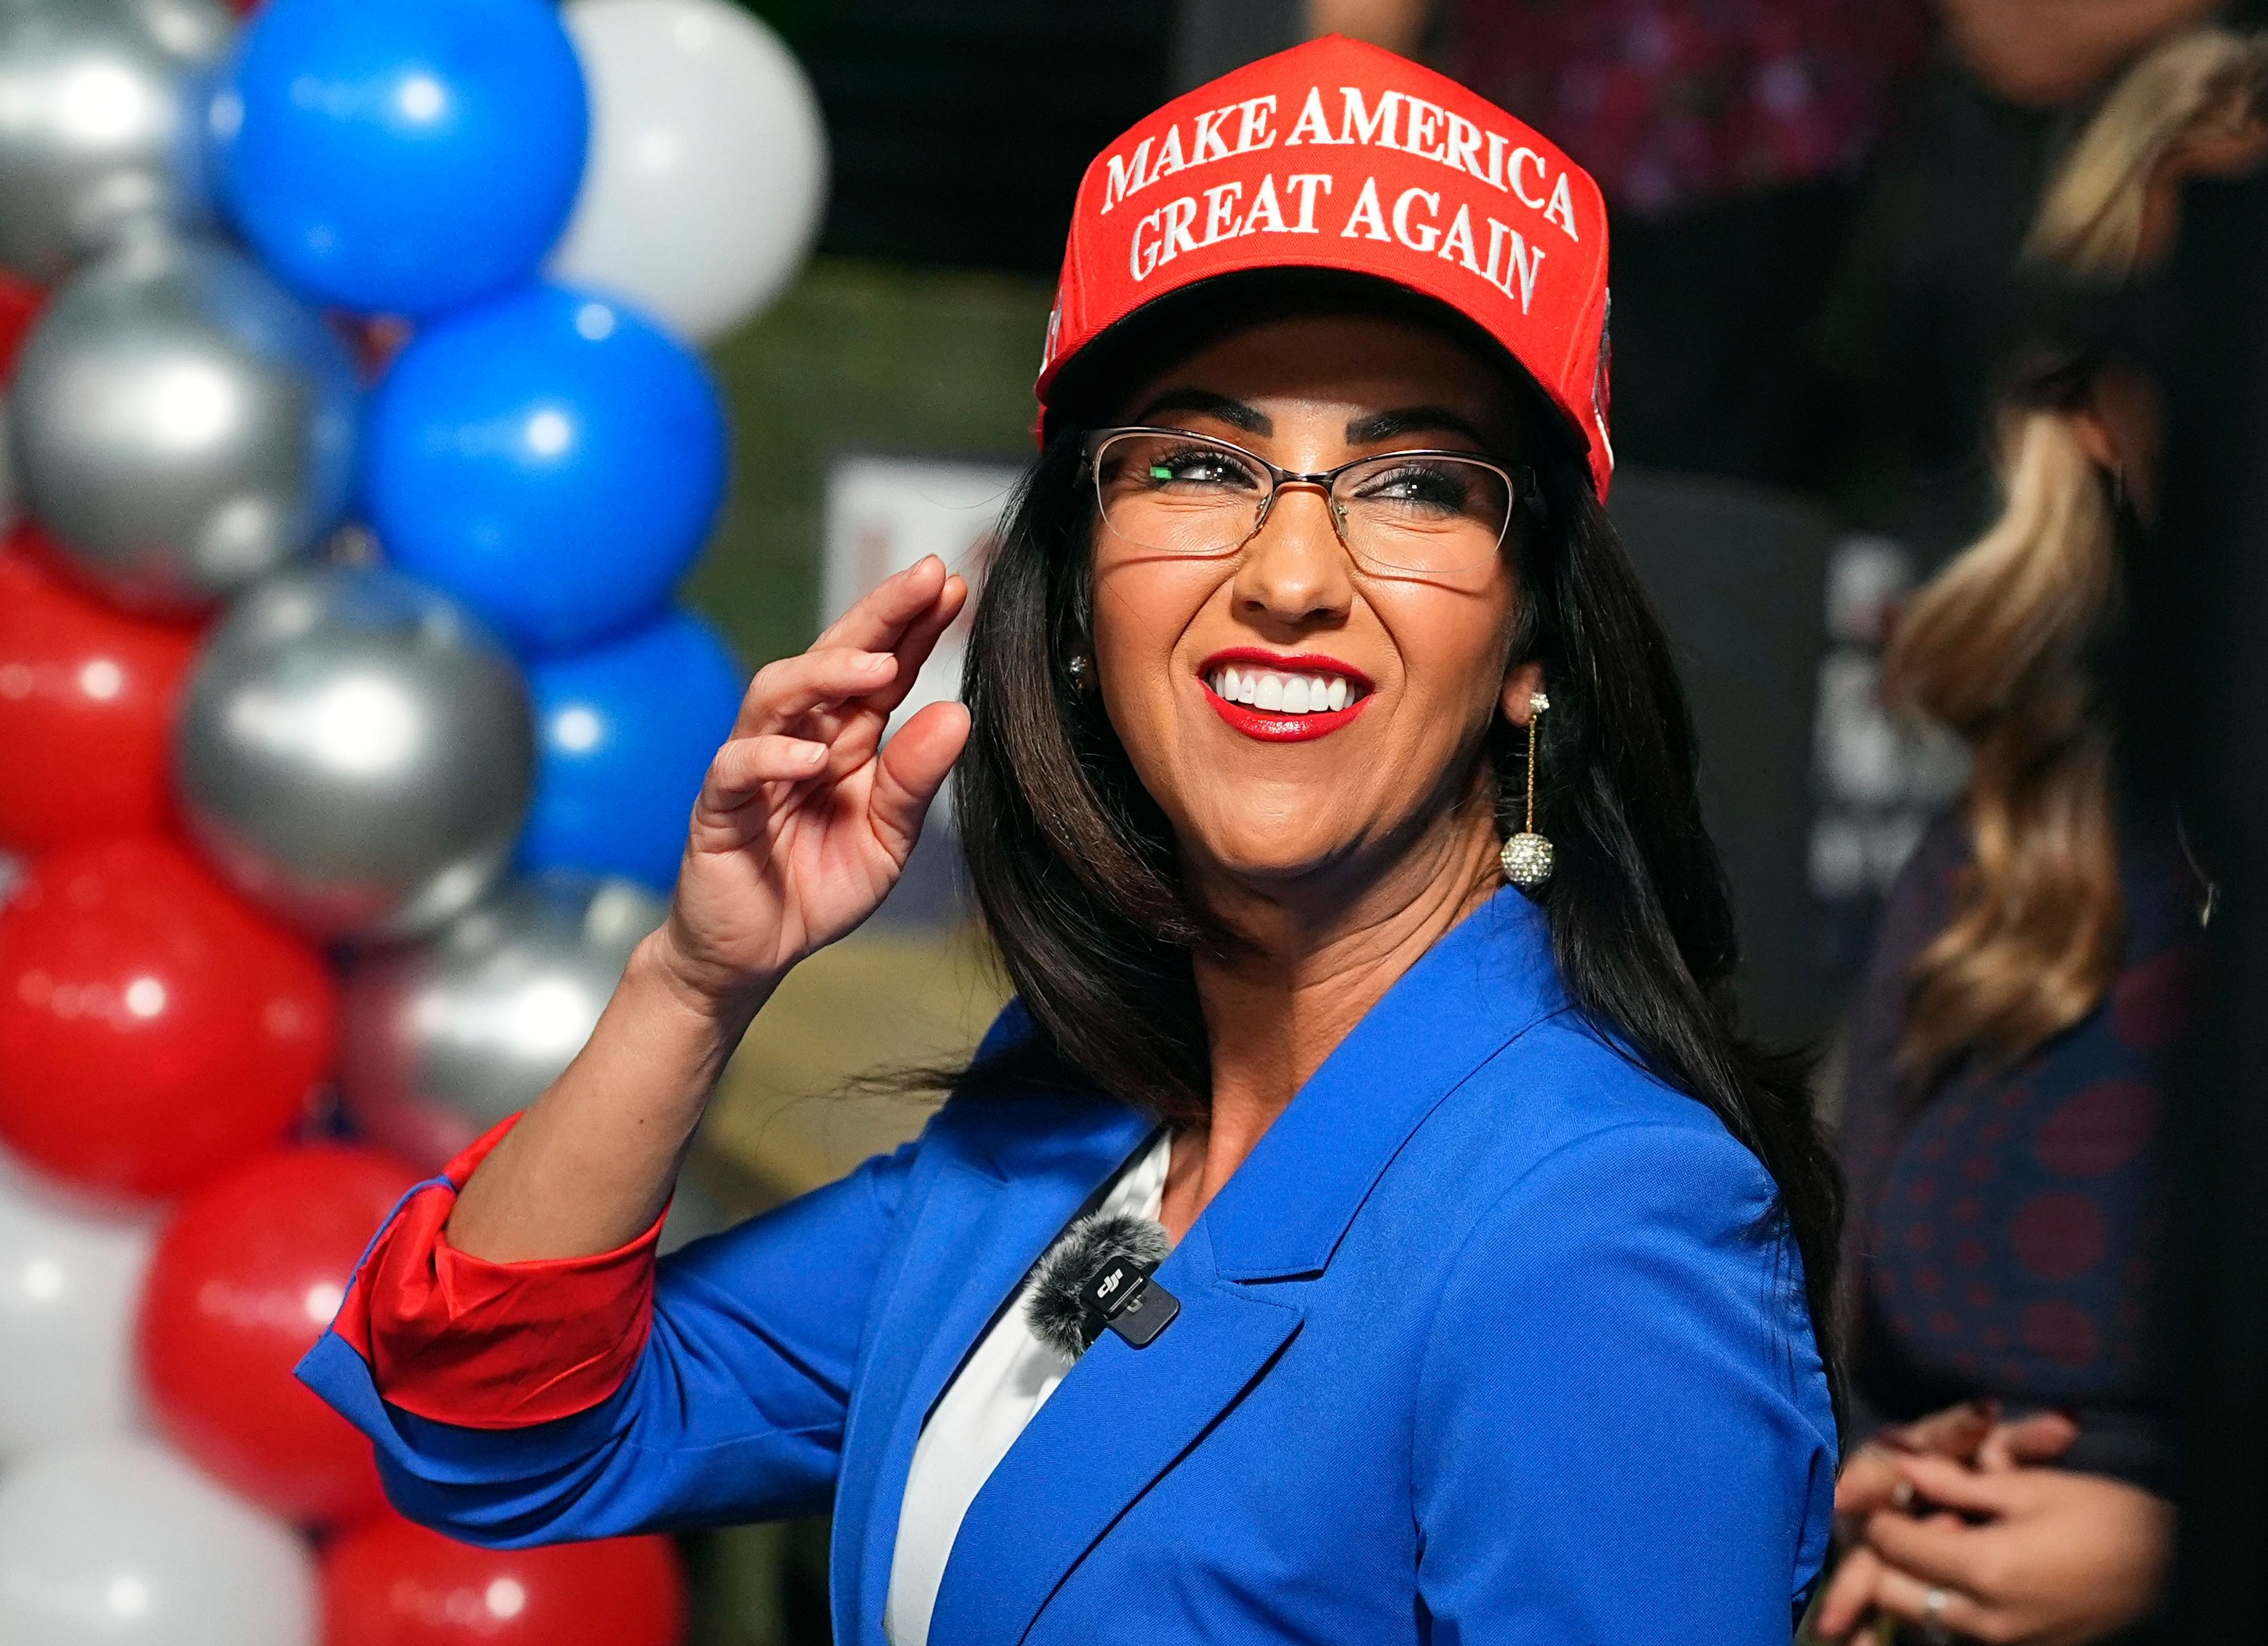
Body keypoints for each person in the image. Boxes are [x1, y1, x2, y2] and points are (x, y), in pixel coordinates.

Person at [300, 37, 1842, 1642]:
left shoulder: (1599, 1226)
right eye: (1196, 462)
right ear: (1087, 601)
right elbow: (497, 1432)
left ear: (1533, 642)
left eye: (1413, 483)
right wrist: (699, 979)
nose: (1293, 572)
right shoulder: (1064, 1115)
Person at [1808, 27, 2267, 1645]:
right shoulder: (1999, 853)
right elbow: (1853, 1362)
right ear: (2088, 411)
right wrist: (1870, 1482)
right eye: (2216, 329)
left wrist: (2182, 1562)